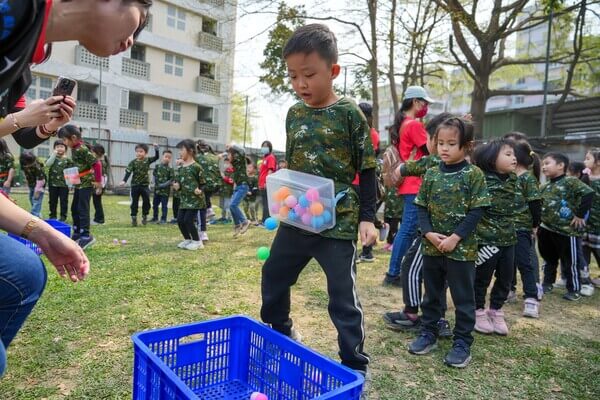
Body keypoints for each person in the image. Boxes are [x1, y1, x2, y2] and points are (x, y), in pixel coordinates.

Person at [0, 0, 151, 377]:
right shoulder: (14, 10)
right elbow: (16, 123)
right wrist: (21, 117)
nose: (131, 41)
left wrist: (43, 124)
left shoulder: (25, 61)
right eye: (137, 18)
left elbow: (23, 136)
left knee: (26, 272)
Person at [260, 24, 377, 375]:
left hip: (337, 223)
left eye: (308, 75)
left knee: (343, 296)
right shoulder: (294, 113)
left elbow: (367, 168)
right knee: (274, 275)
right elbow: (294, 166)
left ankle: (354, 364)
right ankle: (281, 331)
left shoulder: (349, 114)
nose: (300, 84)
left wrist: (368, 217)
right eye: (293, 76)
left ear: (333, 71)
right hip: (299, 217)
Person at [407, 117, 489, 368]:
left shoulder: (473, 174)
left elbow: (477, 211)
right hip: (431, 247)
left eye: (451, 143)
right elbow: (421, 207)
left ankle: (462, 342)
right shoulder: (431, 173)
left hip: (461, 251)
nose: (444, 148)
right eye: (440, 142)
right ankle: (429, 332)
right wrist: (429, 233)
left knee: (463, 298)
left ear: (467, 145)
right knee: (432, 294)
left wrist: (455, 238)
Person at [384, 86, 433, 286]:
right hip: (415, 183)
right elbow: (430, 150)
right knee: (408, 229)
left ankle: (400, 271)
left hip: (410, 183)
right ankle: (394, 273)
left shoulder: (403, 124)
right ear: (415, 102)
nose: (426, 107)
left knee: (409, 229)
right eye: (425, 103)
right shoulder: (413, 125)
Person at [471, 139, 519, 336]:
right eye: (507, 154)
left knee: (506, 278)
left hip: (509, 238)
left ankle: (496, 310)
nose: (514, 158)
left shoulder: (514, 179)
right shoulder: (479, 178)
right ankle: (478, 310)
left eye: (513, 154)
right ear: (491, 160)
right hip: (486, 240)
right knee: (482, 278)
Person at [538, 152, 594, 301]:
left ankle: (574, 289)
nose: (544, 167)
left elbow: (588, 194)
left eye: (547, 163)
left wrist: (580, 215)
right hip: (546, 229)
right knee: (548, 259)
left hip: (566, 231)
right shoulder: (544, 187)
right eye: (543, 164)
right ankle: (547, 283)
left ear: (561, 165)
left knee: (570, 262)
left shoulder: (570, 181)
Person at [508, 139, 543, 318]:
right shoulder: (508, 177)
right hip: (505, 229)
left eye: (508, 153)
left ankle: (531, 299)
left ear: (516, 158)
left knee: (524, 263)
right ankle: (508, 291)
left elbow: (535, 204)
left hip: (521, 229)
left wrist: (535, 225)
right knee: (506, 264)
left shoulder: (527, 179)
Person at [58, 125, 102, 250]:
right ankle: (77, 232)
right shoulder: (74, 148)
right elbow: (79, 166)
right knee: (74, 208)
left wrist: (98, 182)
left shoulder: (82, 148)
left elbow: (96, 164)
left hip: (86, 184)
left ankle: (86, 236)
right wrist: (72, 181)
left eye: (65, 140)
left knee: (83, 209)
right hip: (79, 183)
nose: (64, 143)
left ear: (73, 137)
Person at [172, 139, 205, 251]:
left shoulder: (197, 167)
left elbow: (203, 184)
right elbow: (178, 183)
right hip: (184, 199)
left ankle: (197, 241)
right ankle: (187, 239)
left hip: (195, 200)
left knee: (188, 220)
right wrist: (177, 186)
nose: (180, 152)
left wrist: (199, 190)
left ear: (190, 151)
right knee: (180, 220)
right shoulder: (181, 168)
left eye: (182, 149)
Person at [119, 143, 159, 226]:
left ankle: (145, 216)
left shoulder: (147, 160)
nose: (138, 153)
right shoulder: (133, 162)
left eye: (141, 151)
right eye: (137, 151)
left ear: (145, 153)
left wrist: (156, 149)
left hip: (145, 186)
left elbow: (156, 157)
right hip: (135, 186)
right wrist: (124, 180)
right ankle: (134, 217)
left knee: (146, 202)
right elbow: (128, 172)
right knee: (134, 202)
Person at [583, 148, 600, 287]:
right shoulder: (585, 178)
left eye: (588, 158)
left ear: (598, 162)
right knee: (583, 252)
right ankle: (584, 276)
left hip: (598, 225)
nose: (585, 161)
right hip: (584, 223)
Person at [46, 139, 74, 221]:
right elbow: (48, 164)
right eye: (57, 147)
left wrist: (71, 184)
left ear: (65, 148)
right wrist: (53, 154)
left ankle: (63, 216)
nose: (59, 148)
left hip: (64, 185)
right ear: (54, 148)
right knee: (52, 201)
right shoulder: (52, 158)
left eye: (61, 146)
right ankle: (53, 216)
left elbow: (71, 172)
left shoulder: (68, 160)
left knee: (63, 201)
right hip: (52, 184)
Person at [195, 140, 222, 223]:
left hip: (205, 184)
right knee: (205, 197)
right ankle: (209, 210)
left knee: (201, 200)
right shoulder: (214, 156)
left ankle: (204, 216)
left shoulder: (198, 157)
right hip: (216, 184)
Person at [228, 145, 251, 236]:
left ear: (234, 155)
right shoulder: (234, 164)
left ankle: (245, 221)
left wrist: (233, 146)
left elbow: (242, 151)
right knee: (231, 206)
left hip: (243, 186)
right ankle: (237, 225)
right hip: (238, 187)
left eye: (229, 154)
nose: (228, 157)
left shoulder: (240, 160)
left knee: (233, 205)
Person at [20, 151, 47, 217]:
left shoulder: (37, 167)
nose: (29, 165)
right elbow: (24, 172)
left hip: (39, 186)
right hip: (32, 184)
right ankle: (37, 213)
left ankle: (34, 215)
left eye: (31, 163)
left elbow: (41, 180)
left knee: (36, 199)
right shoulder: (24, 165)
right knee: (31, 198)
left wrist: (37, 191)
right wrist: (26, 179)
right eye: (27, 164)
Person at [151, 150, 174, 224]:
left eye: (169, 157)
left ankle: (163, 219)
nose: (167, 158)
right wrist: (153, 183)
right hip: (157, 190)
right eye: (166, 157)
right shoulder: (157, 166)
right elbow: (154, 175)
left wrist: (164, 185)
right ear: (162, 157)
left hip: (165, 192)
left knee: (164, 206)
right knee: (155, 205)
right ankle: (155, 218)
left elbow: (171, 179)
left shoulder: (170, 169)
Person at [259, 140, 277, 223]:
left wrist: (267, 182)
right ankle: (264, 220)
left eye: (266, 146)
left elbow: (270, 170)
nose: (264, 148)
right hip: (262, 184)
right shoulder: (264, 158)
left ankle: (266, 220)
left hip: (267, 184)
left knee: (266, 203)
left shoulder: (271, 157)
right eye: (263, 146)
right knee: (264, 203)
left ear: (270, 148)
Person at [91, 143, 107, 225]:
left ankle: (100, 220)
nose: (91, 153)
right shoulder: (101, 161)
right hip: (97, 184)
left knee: (97, 202)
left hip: (99, 185)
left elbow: (102, 176)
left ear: (98, 152)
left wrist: (99, 188)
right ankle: (97, 218)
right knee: (96, 202)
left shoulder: (100, 162)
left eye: (92, 152)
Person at [244, 159, 260, 225]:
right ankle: (248, 219)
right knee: (245, 208)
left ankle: (254, 219)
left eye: (250, 167)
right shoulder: (245, 177)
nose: (248, 169)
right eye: (247, 167)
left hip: (252, 197)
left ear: (254, 169)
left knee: (252, 208)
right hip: (245, 196)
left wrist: (251, 192)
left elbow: (256, 187)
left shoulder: (255, 178)